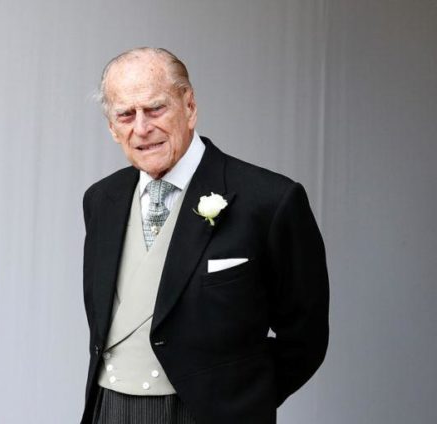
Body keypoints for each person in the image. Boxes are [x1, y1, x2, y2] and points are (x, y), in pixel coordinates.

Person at [80, 47, 329, 424]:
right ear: (112, 128)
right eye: (126, 115)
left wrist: (241, 401)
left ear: (190, 106)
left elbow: (306, 336)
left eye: (155, 109)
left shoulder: (270, 200)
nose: (141, 128)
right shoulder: (101, 200)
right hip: (110, 409)